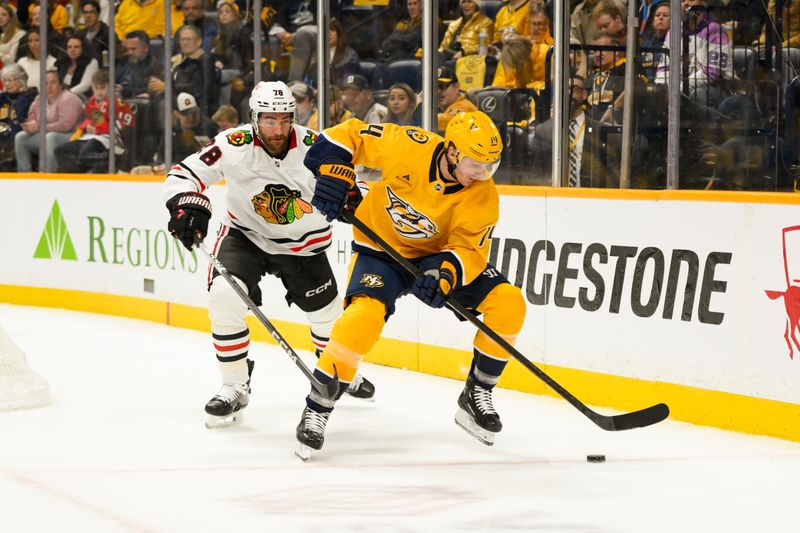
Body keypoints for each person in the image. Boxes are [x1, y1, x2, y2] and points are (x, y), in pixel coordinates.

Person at [294, 110, 527, 459]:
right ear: (451, 152)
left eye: (490, 165)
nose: (482, 174)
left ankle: (476, 392)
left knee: (509, 303)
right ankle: (318, 407)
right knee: (361, 321)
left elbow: (469, 250)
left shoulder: (483, 195)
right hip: (380, 252)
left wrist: (443, 274)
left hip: (436, 259)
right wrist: (335, 170)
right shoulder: (408, 145)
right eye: (475, 164)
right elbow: (347, 135)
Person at [161, 81, 375, 428]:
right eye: (269, 120)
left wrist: (355, 198)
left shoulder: (314, 146)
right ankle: (234, 385)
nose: (278, 129)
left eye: (284, 119)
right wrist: (187, 204)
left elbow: (355, 181)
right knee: (223, 296)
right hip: (246, 237)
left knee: (327, 319)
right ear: (254, 117)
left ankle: (339, 371)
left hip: (304, 243)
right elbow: (184, 174)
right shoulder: (233, 144)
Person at [54, 69, 134, 173]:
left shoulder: (116, 102)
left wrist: (104, 126)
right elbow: (88, 120)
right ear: (92, 87)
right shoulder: (91, 102)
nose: (99, 91)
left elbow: (129, 121)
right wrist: (87, 127)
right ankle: (70, 181)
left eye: (102, 88)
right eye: (96, 88)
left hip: (108, 139)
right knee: (61, 151)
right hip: (91, 136)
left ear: (108, 87)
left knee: (84, 154)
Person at [15, 69, 84, 172]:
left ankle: (48, 176)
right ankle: (24, 176)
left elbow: (65, 126)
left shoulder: (69, 98)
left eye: (53, 83)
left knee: (50, 137)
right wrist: (30, 126)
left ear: (61, 85)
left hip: (74, 136)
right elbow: (32, 117)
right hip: (48, 135)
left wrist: (39, 127)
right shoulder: (39, 99)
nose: (49, 87)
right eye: (46, 83)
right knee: (21, 137)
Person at [0, 64, 37, 168]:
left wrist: (22, 96)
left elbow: (20, 116)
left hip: (17, 139)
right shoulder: (3, 98)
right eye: (4, 80)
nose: (6, 84)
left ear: (21, 80)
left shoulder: (30, 97)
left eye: (10, 80)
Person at [436, 66, 477, 133]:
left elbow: (447, 121)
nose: (438, 91)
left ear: (457, 86)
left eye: (442, 86)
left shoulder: (466, 107)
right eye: (434, 87)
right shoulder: (436, 108)